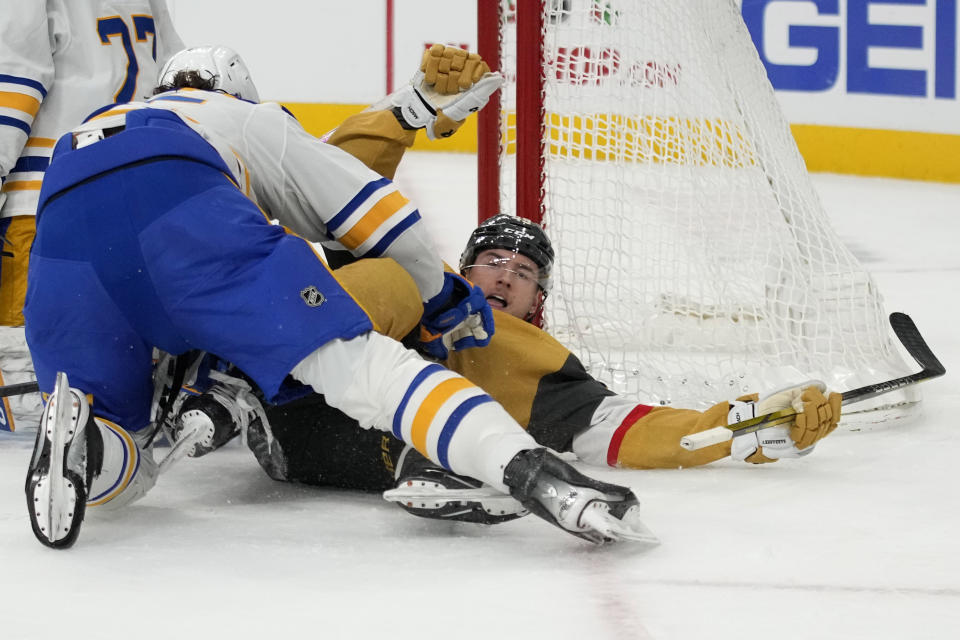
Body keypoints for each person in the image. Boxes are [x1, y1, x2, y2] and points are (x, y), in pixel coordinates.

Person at [155, 46, 842, 527]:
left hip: (317, 435)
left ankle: (406, 457)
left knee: (413, 415)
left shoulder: (533, 361)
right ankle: (195, 380)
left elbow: (624, 429)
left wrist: (742, 430)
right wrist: (408, 112)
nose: (506, 274)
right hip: (277, 346)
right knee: (364, 266)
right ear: (462, 267)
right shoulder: (426, 285)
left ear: (539, 303)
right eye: (492, 262)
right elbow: (329, 179)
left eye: (524, 271)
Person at [22, 45, 653, 549]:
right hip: (181, 212)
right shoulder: (247, 118)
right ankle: (522, 465)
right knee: (358, 360)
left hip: (60, 238)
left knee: (115, 450)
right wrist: (438, 297)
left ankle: (85, 433)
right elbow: (382, 219)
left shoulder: (97, 124)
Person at [0, 0, 184, 433]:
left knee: (29, 333)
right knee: (129, 317)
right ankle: (136, 412)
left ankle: (36, 414)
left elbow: (16, 75)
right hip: (142, 181)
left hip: (48, 195)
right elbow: (176, 76)